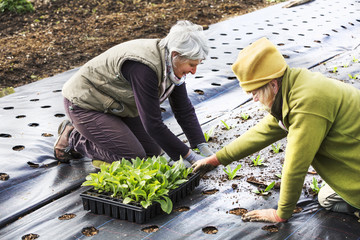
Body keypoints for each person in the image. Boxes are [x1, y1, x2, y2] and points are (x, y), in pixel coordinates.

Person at [192, 37, 360, 222]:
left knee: (329, 199)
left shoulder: (308, 103)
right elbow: (265, 130)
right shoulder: (294, 84)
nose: (254, 99)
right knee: (325, 197)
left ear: (273, 84)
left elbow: (296, 164)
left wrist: (280, 213)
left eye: (255, 93)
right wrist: (218, 159)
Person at [53, 20, 213, 168]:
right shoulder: (144, 68)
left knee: (153, 152)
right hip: (86, 103)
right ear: (175, 54)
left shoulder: (172, 65)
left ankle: (101, 131)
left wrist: (202, 147)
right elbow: (153, 124)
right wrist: (191, 157)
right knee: (133, 158)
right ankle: (73, 136)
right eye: (191, 65)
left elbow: (183, 109)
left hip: (116, 104)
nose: (194, 71)